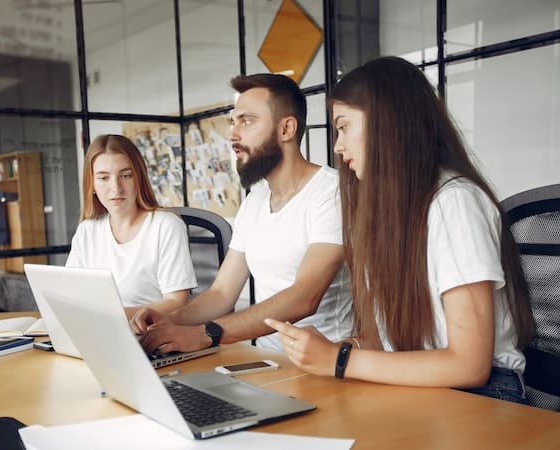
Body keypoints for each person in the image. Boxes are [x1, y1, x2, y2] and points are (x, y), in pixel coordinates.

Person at [265, 56, 535, 404]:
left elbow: (470, 365)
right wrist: (340, 348)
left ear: (387, 123)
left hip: (483, 395)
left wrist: (341, 360)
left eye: (344, 127)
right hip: (419, 388)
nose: (338, 146)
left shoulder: (454, 202)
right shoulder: (390, 214)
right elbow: (386, 343)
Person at [132, 73, 352, 354]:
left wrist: (207, 333)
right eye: (233, 122)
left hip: (322, 367)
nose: (233, 135)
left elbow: (304, 297)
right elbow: (222, 293)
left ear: (286, 129)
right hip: (264, 362)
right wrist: (167, 322)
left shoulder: (331, 193)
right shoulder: (255, 201)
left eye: (247, 121)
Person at [65, 134, 197, 320]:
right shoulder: (87, 230)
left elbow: (177, 302)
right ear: (92, 184)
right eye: (103, 178)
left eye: (125, 176)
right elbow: (70, 294)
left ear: (139, 179)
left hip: (152, 336)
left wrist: (115, 316)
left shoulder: (166, 226)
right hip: (98, 333)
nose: (116, 188)